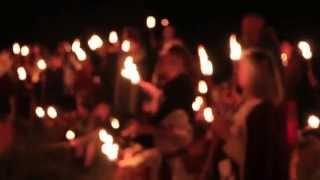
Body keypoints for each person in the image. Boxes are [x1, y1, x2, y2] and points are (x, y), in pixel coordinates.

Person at [119, 45, 195, 180]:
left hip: (176, 164)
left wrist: (143, 129)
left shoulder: (180, 89)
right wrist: (140, 83)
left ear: (175, 61)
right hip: (166, 156)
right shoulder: (175, 86)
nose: (160, 61)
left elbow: (177, 130)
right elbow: (160, 96)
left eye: (164, 58)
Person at [211, 49, 289, 180]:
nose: (237, 70)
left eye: (242, 66)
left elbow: (258, 160)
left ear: (257, 72)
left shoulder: (263, 111)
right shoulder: (245, 108)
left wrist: (227, 136)